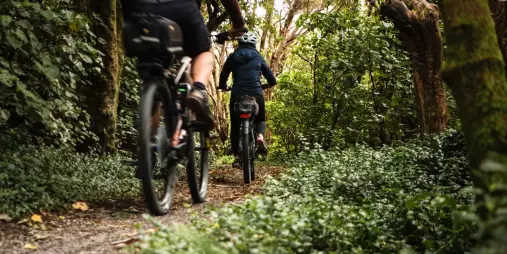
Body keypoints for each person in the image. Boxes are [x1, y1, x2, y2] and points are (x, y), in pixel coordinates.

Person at [121, 0, 246, 130]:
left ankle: (149, 140)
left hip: (138, 10)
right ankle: (198, 90)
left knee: (152, 69)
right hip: (181, 8)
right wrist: (238, 23)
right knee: (203, 52)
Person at [218, 32, 277, 167]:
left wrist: (224, 86)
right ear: (253, 44)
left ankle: (237, 154)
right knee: (260, 118)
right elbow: (272, 80)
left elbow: (223, 75)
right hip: (255, 93)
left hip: (237, 93)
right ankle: (260, 137)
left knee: (234, 124)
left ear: (240, 44)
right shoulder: (258, 57)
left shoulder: (233, 57)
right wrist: (265, 86)